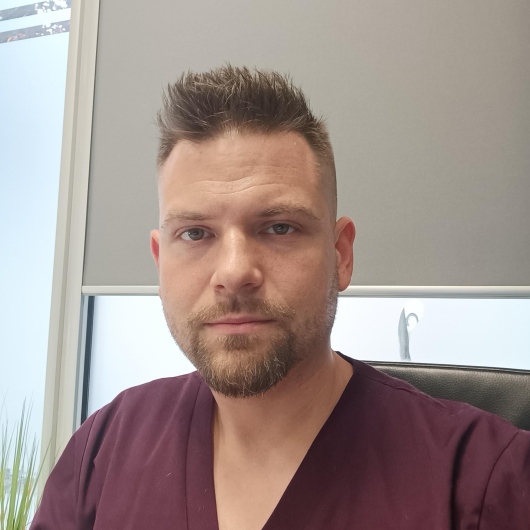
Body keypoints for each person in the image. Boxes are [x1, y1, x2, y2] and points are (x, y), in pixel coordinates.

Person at [31, 66, 530, 530]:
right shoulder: (102, 452)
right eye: (195, 233)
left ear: (341, 254)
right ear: (160, 261)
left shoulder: (485, 480)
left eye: (279, 227)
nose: (234, 273)